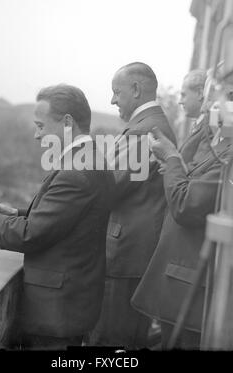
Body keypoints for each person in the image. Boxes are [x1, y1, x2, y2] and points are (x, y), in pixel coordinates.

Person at [0, 84, 115, 350]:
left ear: (67, 122)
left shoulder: (75, 170)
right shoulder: (88, 159)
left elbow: (32, 234)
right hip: (67, 304)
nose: (36, 135)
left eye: (41, 126)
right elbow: (66, 221)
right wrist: (17, 213)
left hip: (57, 310)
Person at [88, 62, 176, 349]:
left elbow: (109, 188)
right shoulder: (151, 125)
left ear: (136, 89)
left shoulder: (143, 130)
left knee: (111, 342)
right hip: (136, 254)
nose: (113, 100)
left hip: (126, 255)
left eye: (117, 92)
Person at [131, 124, 233, 350]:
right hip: (184, 282)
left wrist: (172, 157)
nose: (208, 107)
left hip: (195, 289)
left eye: (210, 96)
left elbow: (187, 205)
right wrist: (175, 167)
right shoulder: (223, 144)